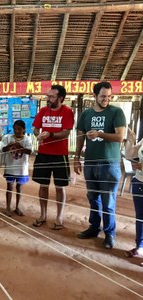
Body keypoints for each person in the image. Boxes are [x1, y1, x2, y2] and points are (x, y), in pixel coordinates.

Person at [74, 81, 126, 249]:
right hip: (90, 162)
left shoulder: (116, 112)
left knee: (108, 202)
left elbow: (120, 137)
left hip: (109, 163)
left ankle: (110, 234)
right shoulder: (86, 114)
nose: (106, 99)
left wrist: (100, 134)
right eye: (103, 96)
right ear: (94, 96)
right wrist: (76, 157)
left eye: (109, 96)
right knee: (93, 199)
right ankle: (94, 227)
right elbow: (80, 136)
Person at [32, 85, 74, 230]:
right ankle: (43, 215)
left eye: (51, 97)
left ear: (60, 98)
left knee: (60, 187)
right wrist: (38, 135)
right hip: (43, 154)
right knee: (43, 186)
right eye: (47, 96)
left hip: (60, 155)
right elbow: (36, 128)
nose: (48, 99)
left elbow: (65, 133)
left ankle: (59, 216)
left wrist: (50, 134)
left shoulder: (67, 111)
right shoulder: (43, 111)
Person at [2, 120, 32, 216]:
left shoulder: (27, 139)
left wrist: (19, 146)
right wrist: (9, 146)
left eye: (19, 129)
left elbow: (30, 151)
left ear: (24, 129)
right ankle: (8, 207)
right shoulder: (8, 138)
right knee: (9, 187)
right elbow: (2, 149)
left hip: (22, 168)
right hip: (10, 166)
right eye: (15, 129)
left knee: (19, 187)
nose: (17, 131)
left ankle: (17, 207)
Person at [125, 128, 143, 258]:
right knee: (140, 217)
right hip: (139, 181)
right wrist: (130, 140)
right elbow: (130, 156)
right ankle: (140, 247)